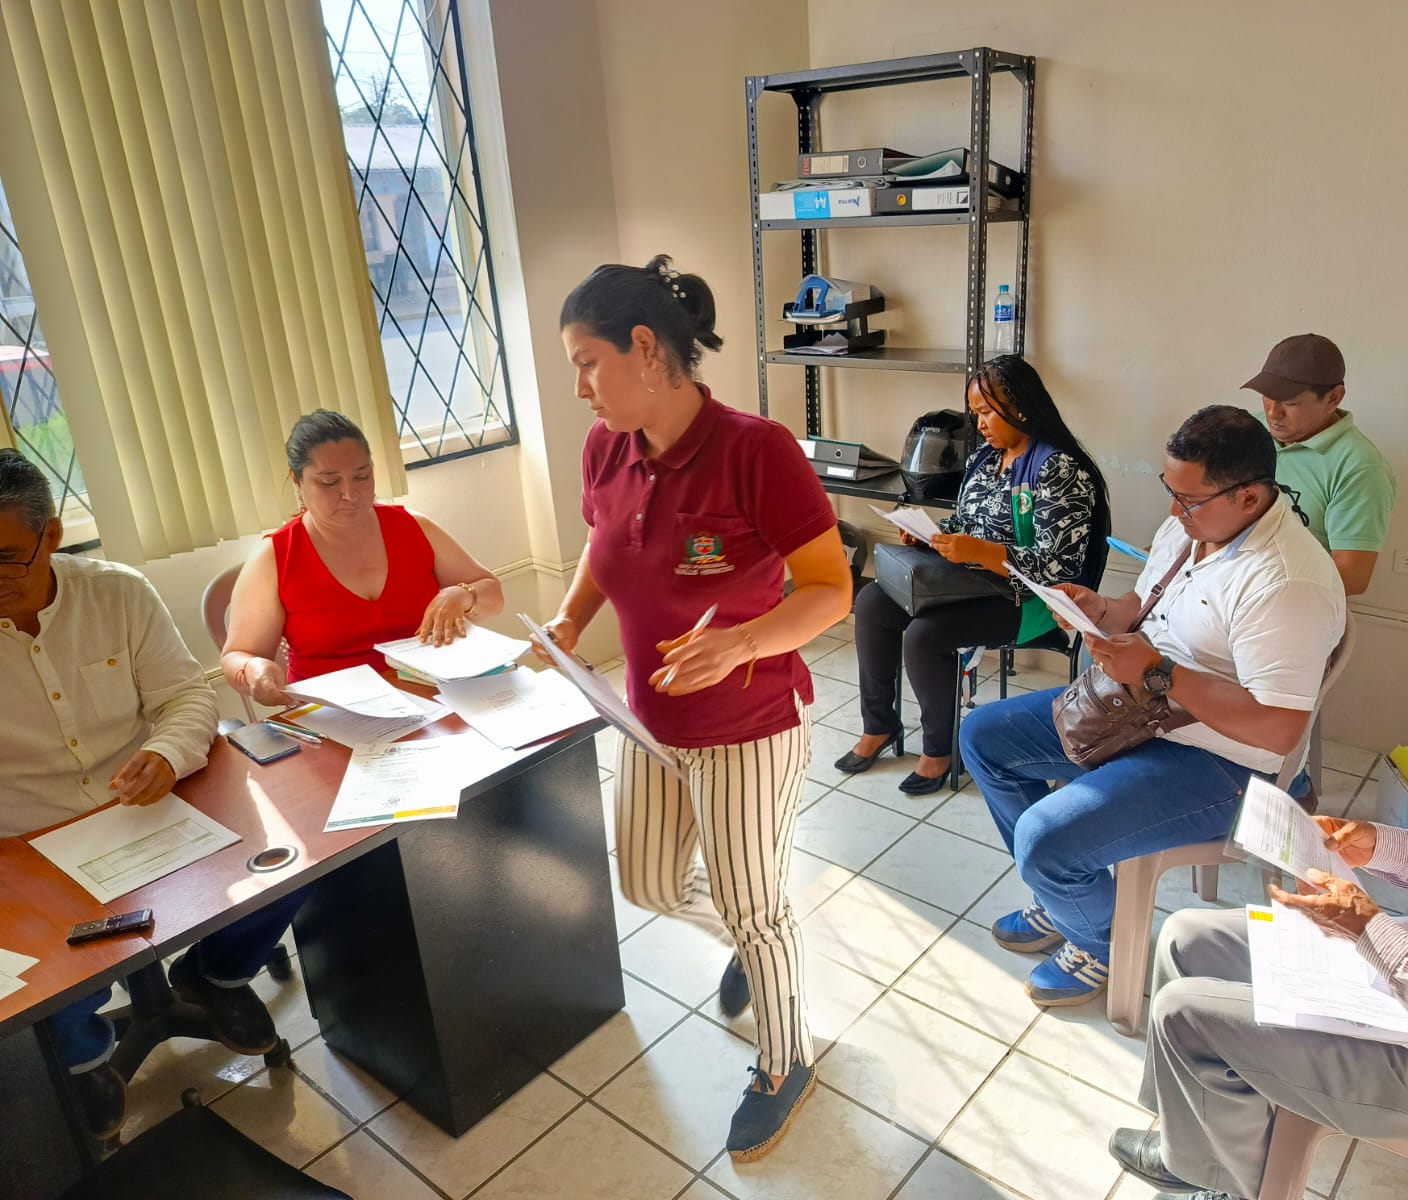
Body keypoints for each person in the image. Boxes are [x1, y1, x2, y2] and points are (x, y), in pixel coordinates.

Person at [1109, 556, 1408, 1200]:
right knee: (1186, 937)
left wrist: (1372, 931)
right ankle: (1194, 1152)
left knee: (1186, 1015)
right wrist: (1380, 846)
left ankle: (1221, 1180)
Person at [540, 254, 852, 1161]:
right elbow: (603, 543)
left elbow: (830, 590)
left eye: (587, 362)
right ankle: (756, 947)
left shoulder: (757, 450)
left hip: (750, 723)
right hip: (649, 721)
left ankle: (785, 1060)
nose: (579, 388)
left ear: (645, 349)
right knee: (647, 882)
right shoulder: (606, 447)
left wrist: (743, 643)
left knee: (756, 904)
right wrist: (569, 619)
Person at [960, 405, 1346, 1006]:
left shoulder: (1287, 583)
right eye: (1171, 491)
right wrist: (1100, 609)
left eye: (1188, 500)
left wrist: (1157, 672)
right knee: (983, 738)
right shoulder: (1193, 527)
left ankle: (1100, 940)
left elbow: (1277, 730)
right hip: (1139, 711)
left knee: (1043, 839)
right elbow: (1142, 609)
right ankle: (1068, 897)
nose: (1174, 512)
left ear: (1248, 497)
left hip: (1225, 762)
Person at [0, 448, 298, 1140]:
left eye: (6, 557)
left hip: (145, 805)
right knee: (39, 981)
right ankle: (85, 1060)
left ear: (52, 536)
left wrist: (166, 753)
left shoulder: (118, 593)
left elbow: (186, 697)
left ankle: (217, 975)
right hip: (27, 838)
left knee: (291, 861)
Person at [835, 355, 1110, 794]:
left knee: (926, 635)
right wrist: (933, 536)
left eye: (986, 412)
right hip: (967, 580)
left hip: (1031, 601)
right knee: (871, 602)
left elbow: (1063, 568)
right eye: (975, 413)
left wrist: (984, 552)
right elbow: (966, 521)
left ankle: (940, 749)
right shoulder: (985, 458)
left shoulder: (1059, 469)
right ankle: (879, 725)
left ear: (1020, 407)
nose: (979, 424)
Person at [221, 410, 503, 706]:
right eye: (329, 482)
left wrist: (463, 594)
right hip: (333, 712)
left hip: (434, 698)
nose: (350, 493)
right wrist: (253, 670)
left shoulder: (413, 528)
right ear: (297, 481)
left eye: (361, 476)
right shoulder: (275, 558)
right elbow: (237, 654)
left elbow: (493, 594)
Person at [1241, 333, 1396, 596]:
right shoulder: (1247, 430)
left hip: (1285, 602)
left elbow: (1352, 576)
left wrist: (1251, 589)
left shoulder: (1359, 467)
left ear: (1334, 398)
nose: (1273, 413)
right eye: (1267, 397)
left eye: (1290, 403)